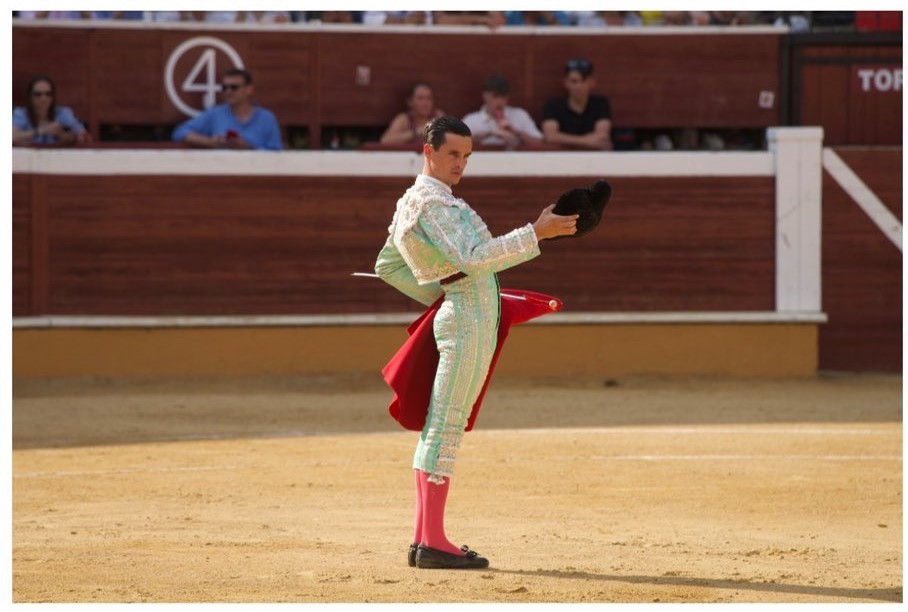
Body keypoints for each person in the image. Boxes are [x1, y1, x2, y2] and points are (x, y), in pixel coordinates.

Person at [373, 116, 578, 569]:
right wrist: (535, 233)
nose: (460, 164)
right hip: (468, 321)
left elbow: (388, 264)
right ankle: (433, 542)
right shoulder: (435, 205)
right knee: (446, 426)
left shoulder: (414, 201)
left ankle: (426, 537)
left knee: (440, 424)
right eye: (452, 154)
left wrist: (443, 293)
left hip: (464, 311)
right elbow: (471, 259)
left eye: (466, 156)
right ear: (428, 152)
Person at [171, 68, 282, 151]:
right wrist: (211, 142)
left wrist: (248, 148)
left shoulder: (267, 118)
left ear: (249, 90)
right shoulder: (215, 114)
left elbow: (276, 153)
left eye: (234, 87)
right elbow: (180, 133)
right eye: (224, 87)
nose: (228, 91)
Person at [541, 58, 613, 150]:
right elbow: (550, 136)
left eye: (583, 81)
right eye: (574, 81)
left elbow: (602, 137)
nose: (578, 86)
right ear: (566, 83)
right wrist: (587, 141)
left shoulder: (601, 104)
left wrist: (564, 139)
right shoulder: (552, 106)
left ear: (592, 83)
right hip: (562, 158)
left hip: (593, 158)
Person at [461, 75, 543, 149]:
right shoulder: (471, 119)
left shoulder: (519, 115)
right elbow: (458, 143)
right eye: (495, 96)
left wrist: (516, 132)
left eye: (503, 97)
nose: (500, 101)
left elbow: (539, 142)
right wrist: (490, 133)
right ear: (485, 95)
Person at [13, 75, 90, 146]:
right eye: (38, 94)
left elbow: (83, 137)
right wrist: (40, 131)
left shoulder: (63, 113)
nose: (43, 98)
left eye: (48, 94)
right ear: (30, 97)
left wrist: (61, 134)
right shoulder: (21, 114)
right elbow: (11, 137)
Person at [379, 81, 443, 147]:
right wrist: (416, 132)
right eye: (420, 98)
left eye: (429, 98)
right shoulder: (404, 119)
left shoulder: (438, 117)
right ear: (410, 102)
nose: (425, 103)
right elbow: (385, 141)